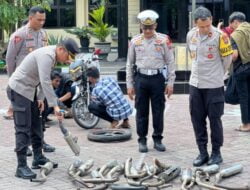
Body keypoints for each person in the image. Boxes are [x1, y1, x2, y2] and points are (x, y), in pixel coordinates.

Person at [6, 38, 79, 179]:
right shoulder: (47, 56)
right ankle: (21, 167)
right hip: (19, 90)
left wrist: (40, 98)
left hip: (31, 91)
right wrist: (55, 106)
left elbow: (40, 78)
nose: (69, 60)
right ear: (61, 49)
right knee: (23, 128)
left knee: (37, 123)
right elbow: (45, 80)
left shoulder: (52, 56)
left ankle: (38, 157)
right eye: (70, 56)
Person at [186, 7, 233, 166]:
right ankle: (202, 152)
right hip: (195, 84)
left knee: (215, 120)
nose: (205, 29)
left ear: (211, 19)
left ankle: (216, 153)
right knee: (197, 120)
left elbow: (227, 60)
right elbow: (192, 56)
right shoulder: (191, 35)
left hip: (214, 85)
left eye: (207, 25)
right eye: (202, 26)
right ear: (195, 23)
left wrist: (218, 75)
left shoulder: (221, 36)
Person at [126, 10, 176, 153]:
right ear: (141, 26)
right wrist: (129, 84)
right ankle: (142, 140)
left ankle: (157, 139)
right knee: (141, 111)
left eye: (151, 27)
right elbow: (129, 64)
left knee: (158, 110)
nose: (148, 30)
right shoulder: (135, 41)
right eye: (145, 27)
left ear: (156, 25)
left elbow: (171, 62)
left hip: (157, 78)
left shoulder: (163, 40)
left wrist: (171, 82)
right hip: (141, 79)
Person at [4, 6, 47, 120]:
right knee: (24, 117)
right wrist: (12, 77)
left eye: (43, 20)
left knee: (35, 115)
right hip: (22, 80)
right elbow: (10, 58)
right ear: (30, 18)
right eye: (39, 20)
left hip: (37, 79)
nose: (42, 23)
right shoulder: (19, 35)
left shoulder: (43, 34)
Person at [230, 12, 250, 132]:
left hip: (242, 69)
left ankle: (246, 124)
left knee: (244, 96)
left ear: (236, 22)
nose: (231, 27)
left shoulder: (235, 35)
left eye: (231, 24)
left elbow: (234, 55)